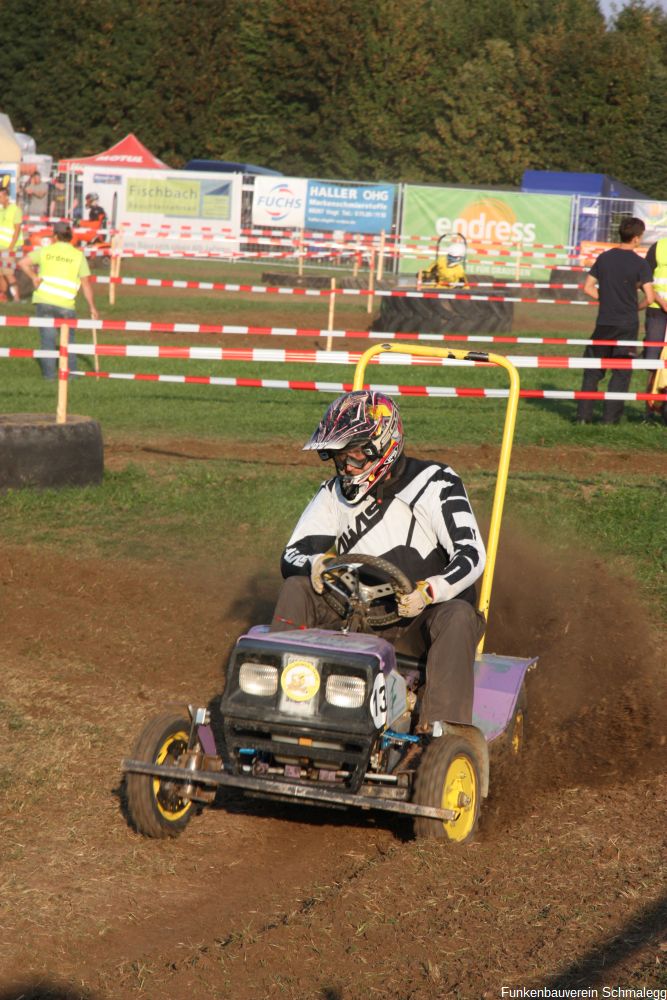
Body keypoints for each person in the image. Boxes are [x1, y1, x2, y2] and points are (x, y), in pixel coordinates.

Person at [271, 390, 487, 734]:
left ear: (383, 445)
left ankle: (442, 735)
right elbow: (293, 554)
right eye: (339, 458)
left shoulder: (436, 482)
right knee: (297, 587)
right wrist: (314, 563)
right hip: (358, 612)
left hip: (424, 621)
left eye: (354, 456)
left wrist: (430, 591)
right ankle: (278, 699)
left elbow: (473, 555)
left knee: (459, 615)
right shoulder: (333, 493)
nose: (346, 467)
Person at [576, 216, 654, 425]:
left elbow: (588, 287)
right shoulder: (641, 263)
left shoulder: (604, 258)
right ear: (637, 238)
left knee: (593, 369)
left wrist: (608, 299)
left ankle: (583, 417)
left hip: (604, 323)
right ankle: (610, 420)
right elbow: (650, 297)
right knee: (621, 372)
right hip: (627, 324)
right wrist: (633, 307)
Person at [18, 221, 98, 380]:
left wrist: (34, 277)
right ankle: (72, 375)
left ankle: (49, 377)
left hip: (45, 301)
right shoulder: (78, 255)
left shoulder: (45, 251)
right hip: (66, 304)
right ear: (71, 236)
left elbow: (22, 263)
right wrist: (92, 307)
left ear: (54, 236)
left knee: (47, 341)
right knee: (69, 342)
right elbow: (86, 284)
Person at [642, 237, 667, 420]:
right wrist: (661, 301)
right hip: (657, 311)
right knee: (652, 361)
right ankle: (650, 407)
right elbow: (645, 279)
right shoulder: (658, 247)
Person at [0, 177, 24, 302]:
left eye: (0, 196)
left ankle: (16, 298)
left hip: (8, 248)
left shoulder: (15, 210)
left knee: (9, 273)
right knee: (1, 274)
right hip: (0, 247)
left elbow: (17, 230)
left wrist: (10, 248)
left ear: (6, 196)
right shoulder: (1, 210)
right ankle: (3, 296)